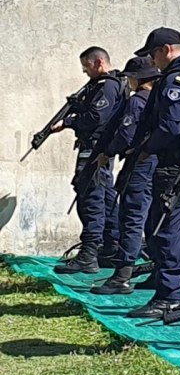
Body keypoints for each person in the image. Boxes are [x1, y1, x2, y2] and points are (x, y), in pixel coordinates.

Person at [126, 27, 180, 318]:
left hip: (173, 164)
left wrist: (145, 149)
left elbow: (169, 127)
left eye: (153, 54)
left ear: (165, 50)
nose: (152, 61)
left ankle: (168, 295)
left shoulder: (178, 78)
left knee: (168, 229)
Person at [52, 46, 126, 274]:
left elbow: (96, 117)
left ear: (99, 63)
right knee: (103, 196)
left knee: (91, 198)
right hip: (99, 149)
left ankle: (90, 253)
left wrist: (69, 122)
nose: (86, 73)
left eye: (87, 67)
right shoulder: (108, 85)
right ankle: (109, 248)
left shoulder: (108, 86)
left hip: (95, 149)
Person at [91, 56, 161, 295]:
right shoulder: (160, 100)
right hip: (158, 164)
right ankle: (158, 269)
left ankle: (122, 276)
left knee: (131, 218)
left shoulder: (138, 102)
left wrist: (108, 152)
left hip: (140, 166)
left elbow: (126, 135)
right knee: (152, 219)